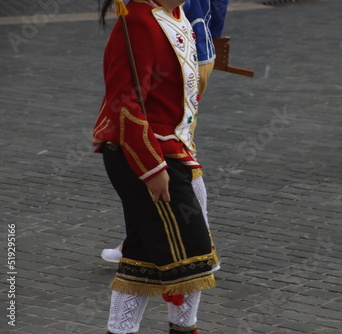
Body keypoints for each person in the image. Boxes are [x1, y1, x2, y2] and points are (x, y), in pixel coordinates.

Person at [93, 0, 219, 333]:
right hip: (146, 152)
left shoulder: (177, 15)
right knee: (193, 257)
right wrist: (152, 168)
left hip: (177, 149)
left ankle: (124, 330)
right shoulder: (136, 22)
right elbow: (124, 103)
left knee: (144, 255)